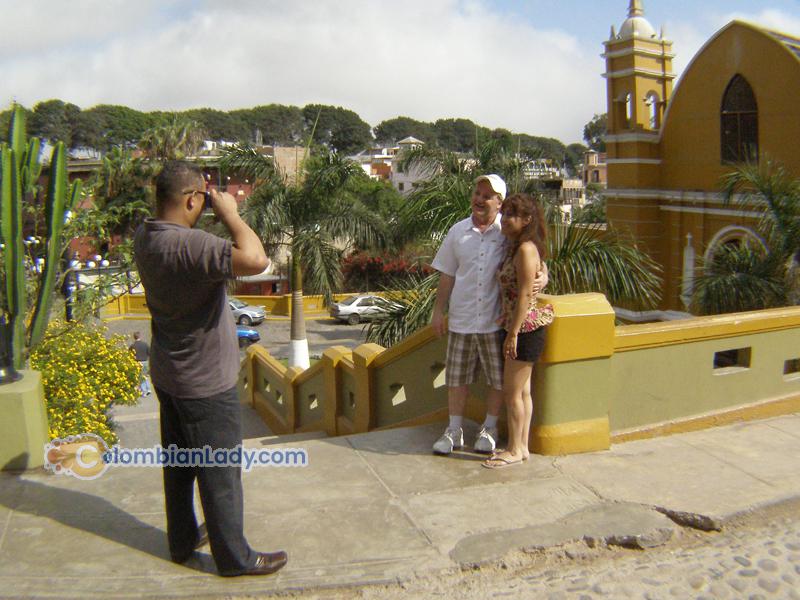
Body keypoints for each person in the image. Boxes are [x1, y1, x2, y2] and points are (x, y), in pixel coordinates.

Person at [133, 160, 287, 577]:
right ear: (190, 200)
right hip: (205, 384)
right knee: (220, 474)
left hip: (169, 374)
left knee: (180, 467)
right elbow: (256, 260)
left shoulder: (145, 237)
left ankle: (181, 541)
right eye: (201, 199)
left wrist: (210, 211)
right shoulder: (190, 245)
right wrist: (232, 214)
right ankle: (235, 558)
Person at [430, 174, 547, 455]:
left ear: (499, 202)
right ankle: (454, 430)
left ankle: (490, 428)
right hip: (462, 318)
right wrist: (437, 310)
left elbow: (533, 262)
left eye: (487, 196)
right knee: (457, 378)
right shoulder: (457, 232)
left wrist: (544, 278)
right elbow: (447, 275)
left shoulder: (507, 233)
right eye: (477, 193)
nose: (479, 200)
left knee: (497, 381)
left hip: (495, 323)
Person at [483, 193, 554, 469]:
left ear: (527, 220)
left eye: (512, 214)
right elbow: (536, 275)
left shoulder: (525, 249)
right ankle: (521, 447)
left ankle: (513, 449)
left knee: (512, 393)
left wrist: (512, 333)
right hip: (519, 325)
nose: (505, 219)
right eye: (505, 213)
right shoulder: (519, 246)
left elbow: (525, 295)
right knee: (523, 392)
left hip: (523, 328)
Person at [128, 331, 151, 396]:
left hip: (137, 362)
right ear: (140, 336)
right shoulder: (145, 344)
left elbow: (129, 354)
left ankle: (144, 391)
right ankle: (148, 389)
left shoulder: (133, 346)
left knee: (140, 377)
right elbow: (149, 353)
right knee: (145, 376)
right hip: (145, 362)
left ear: (134, 337)